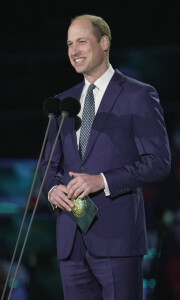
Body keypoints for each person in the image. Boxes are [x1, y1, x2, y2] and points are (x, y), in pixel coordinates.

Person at [40, 14, 171, 300]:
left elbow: (158, 162)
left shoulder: (139, 95)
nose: (74, 51)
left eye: (82, 42)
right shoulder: (63, 102)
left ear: (104, 42)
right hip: (71, 238)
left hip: (118, 241)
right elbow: (49, 165)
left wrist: (102, 180)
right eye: (69, 44)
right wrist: (51, 189)